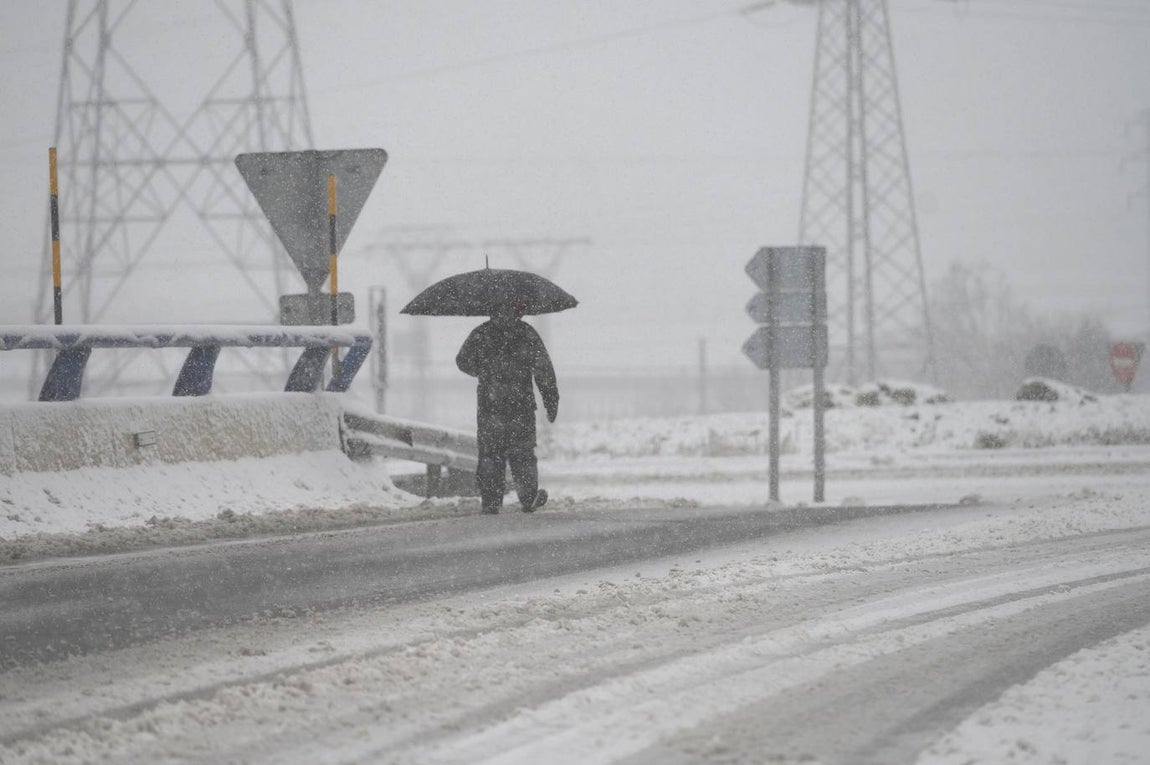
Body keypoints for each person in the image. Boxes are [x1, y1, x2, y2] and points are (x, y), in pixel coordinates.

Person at [456, 303, 558, 514]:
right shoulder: (526, 333)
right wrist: (550, 400)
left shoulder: (481, 333)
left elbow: (462, 361)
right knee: (523, 455)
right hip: (520, 407)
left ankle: (491, 502)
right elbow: (543, 369)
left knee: (490, 455)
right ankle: (528, 497)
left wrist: (483, 371)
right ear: (520, 310)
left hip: (490, 406)